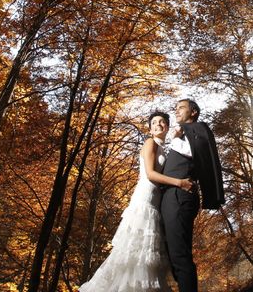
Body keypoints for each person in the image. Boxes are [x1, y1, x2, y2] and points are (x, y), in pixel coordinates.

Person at [79, 111, 193, 292]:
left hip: (156, 203)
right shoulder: (150, 143)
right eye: (154, 122)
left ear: (167, 126)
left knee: (148, 257)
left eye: (162, 122)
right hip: (145, 200)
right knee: (135, 255)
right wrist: (179, 183)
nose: (158, 124)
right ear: (149, 128)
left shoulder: (164, 148)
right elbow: (150, 174)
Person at [160, 99, 225, 292]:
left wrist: (177, 138)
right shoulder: (183, 134)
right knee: (172, 254)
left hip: (180, 196)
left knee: (180, 256)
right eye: (176, 108)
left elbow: (196, 152)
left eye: (181, 107)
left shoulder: (197, 129)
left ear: (194, 112)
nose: (176, 111)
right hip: (171, 197)